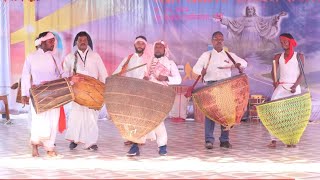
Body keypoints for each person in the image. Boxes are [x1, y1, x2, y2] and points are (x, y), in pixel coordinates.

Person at [21, 31, 80, 157]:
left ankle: (50, 148)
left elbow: (61, 74)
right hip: (38, 94)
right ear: (42, 42)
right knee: (38, 121)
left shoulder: (54, 57)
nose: (53, 43)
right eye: (50, 41)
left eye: (54, 41)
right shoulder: (31, 57)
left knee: (53, 121)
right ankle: (35, 148)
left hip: (53, 93)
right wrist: (24, 94)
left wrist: (71, 78)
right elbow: (26, 75)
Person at [193, 31, 247, 149]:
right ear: (212, 41)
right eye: (216, 39)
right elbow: (195, 68)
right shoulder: (206, 55)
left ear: (223, 41)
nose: (219, 41)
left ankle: (224, 140)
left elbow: (244, 63)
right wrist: (200, 71)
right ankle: (209, 140)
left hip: (225, 86)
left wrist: (237, 64)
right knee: (209, 114)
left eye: (221, 39)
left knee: (226, 113)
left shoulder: (228, 55)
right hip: (210, 87)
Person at [126, 40, 182, 156]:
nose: (158, 49)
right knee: (140, 118)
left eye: (160, 47)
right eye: (156, 47)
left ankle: (162, 145)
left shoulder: (170, 63)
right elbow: (141, 75)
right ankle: (135, 145)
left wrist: (166, 78)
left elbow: (178, 79)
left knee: (158, 121)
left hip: (160, 95)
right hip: (146, 93)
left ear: (165, 49)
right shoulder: (147, 61)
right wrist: (144, 78)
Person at [63, 31, 108, 150]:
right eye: (80, 40)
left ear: (88, 42)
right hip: (77, 93)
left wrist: (104, 88)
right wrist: (70, 81)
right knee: (75, 116)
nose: (83, 42)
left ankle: (91, 143)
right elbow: (65, 73)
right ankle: (75, 140)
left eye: (85, 40)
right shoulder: (70, 57)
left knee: (92, 117)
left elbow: (103, 73)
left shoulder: (95, 56)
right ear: (76, 42)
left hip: (93, 92)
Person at [113, 35, 152, 146]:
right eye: (138, 43)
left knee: (141, 115)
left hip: (143, 90)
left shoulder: (149, 59)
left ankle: (140, 139)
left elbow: (151, 73)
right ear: (134, 45)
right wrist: (112, 78)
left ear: (145, 46)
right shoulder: (129, 57)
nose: (140, 45)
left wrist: (148, 78)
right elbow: (119, 70)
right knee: (128, 115)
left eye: (142, 43)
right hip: (129, 90)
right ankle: (129, 137)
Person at [268, 33, 304, 148]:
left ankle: (291, 139)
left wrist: (294, 86)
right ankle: (273, 140)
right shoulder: (278, 56)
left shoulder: (299, 56)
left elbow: (302, 74)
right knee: (273, 112)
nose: (283, 44)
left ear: (291, 42)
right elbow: (272, 72)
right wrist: (275, 81)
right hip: (281, 87)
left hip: (294, 88)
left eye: (285, 42)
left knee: (292, 115)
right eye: (281, 42)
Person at [215, 5, 287, 58]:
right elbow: (232, 22)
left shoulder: (258, 19)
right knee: (245, 50)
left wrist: (278, 16)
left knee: (255, 51)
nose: (250, 11)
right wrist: (222, 18)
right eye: (248, 10)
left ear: (253, 11)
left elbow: (268, 20)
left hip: (255, 37)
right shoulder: (242, 19)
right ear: (247, 11)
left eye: (251, 10)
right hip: (245, 37)